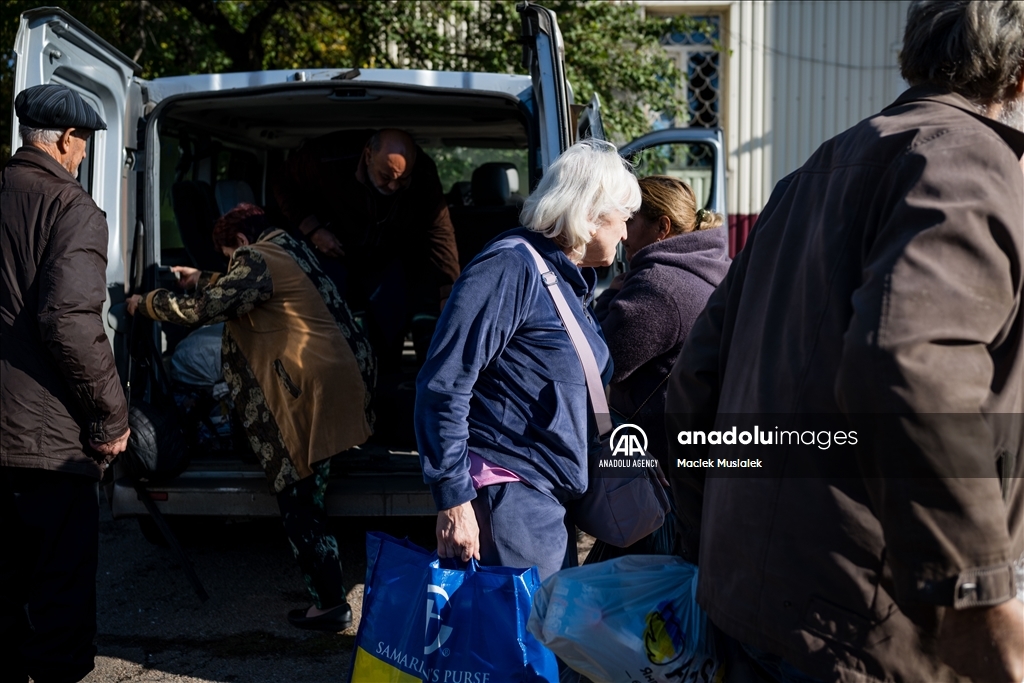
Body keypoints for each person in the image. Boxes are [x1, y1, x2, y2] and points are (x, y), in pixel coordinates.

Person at [665, 2, 1024, 683]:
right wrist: (976, 594)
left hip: (749, 603)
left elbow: (692, 386)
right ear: (1020, 78)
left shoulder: (807, 177)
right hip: (863, 630)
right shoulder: (973, 162)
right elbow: (911, 369)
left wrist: (707, 539)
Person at [127, 204, 375, 632]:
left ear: (241, 244)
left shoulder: (255, 258)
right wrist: (201, 278)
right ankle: (330, 599)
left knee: (299, 500)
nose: (230, 264)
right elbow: (243, 289)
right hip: (337, 383)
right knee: (306, 493)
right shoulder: (289, 247)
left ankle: (329, 605)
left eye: (228, 257)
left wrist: (144, 303)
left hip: (307, 395)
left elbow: (207, 309)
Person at [415, 139, 640, 580]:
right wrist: (454, 500)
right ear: (591, 213)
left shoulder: (567, 279)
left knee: (541, 639)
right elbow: (443, 383)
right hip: (512, 495)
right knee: (525, 644)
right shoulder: (510, 267)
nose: (627, 233)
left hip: (545, 499)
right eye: (623, 219)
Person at [1, 84, 131, 683]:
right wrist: (111, 418)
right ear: (68, 140)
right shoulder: (71, 207)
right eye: (83, 146)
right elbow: (70, 323)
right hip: (45, 447)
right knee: (59, 601)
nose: (81, 158)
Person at [277, 128, 460, 374]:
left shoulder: (423, 171)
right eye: (386, 176)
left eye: (402, 180)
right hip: (330, 249)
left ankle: (386, 383)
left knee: (390, 323)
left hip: (385, 254)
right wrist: (313, 230)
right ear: (368, 156)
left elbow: (439, 231)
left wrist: (449, 291)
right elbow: (283, 186)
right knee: (326, 319)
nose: (394, 185)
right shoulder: (323, 158)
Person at [594, 175, 729, 470]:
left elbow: (599, 363)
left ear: (662, 228)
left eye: (629, 220)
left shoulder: (658, 287)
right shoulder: (711, 268)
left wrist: (609, 296)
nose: (622, 234)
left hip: (659, 466)